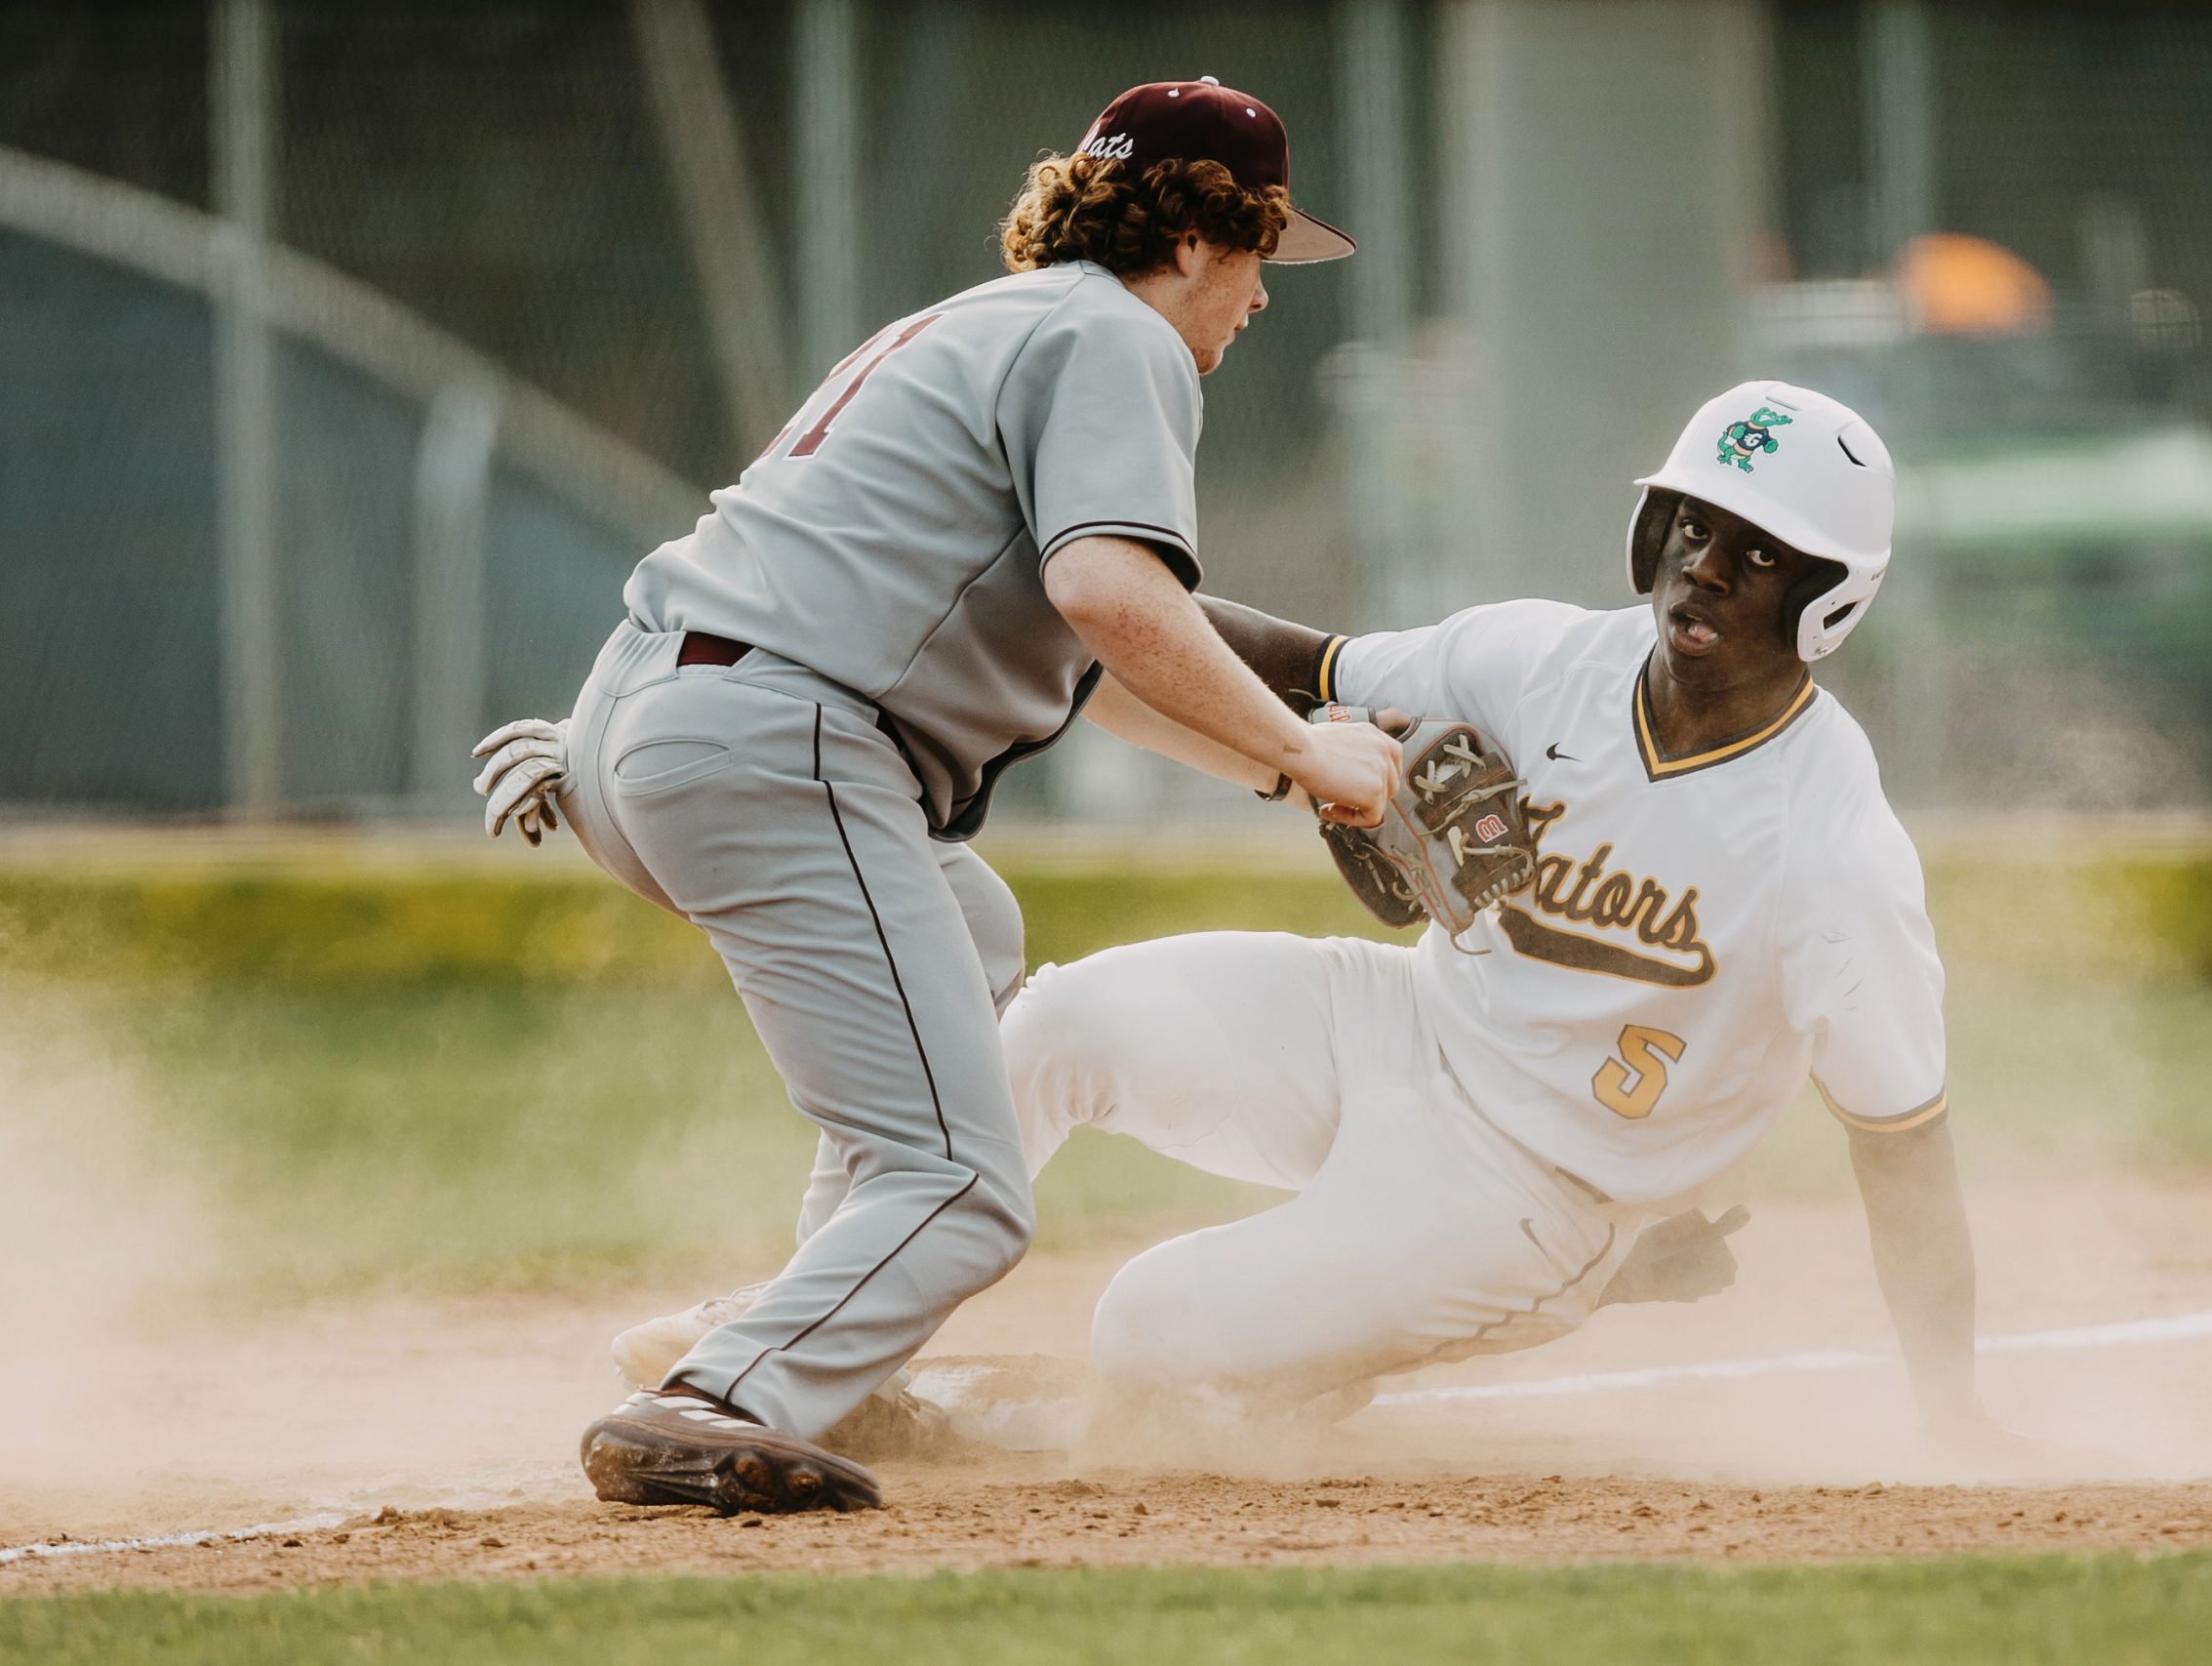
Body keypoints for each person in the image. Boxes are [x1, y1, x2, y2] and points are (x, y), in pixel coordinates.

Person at [593, 381, 2041, 1462]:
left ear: (1833, 600)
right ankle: (803, 1357)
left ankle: (998, 1444)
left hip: (1537, 1193)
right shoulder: (1544, 658)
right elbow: (1308, 661)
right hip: (1400, 1024)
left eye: (1765, 553)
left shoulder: (1831, 847)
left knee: (1150, 1339)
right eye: (1696, 526)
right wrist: (1060, 580)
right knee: (1052, 1027)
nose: (1710, 568)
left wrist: (1955, 1408)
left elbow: (1905, 1148)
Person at [475, 76, 1401, 1515]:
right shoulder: (1119, 337)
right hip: (780, 740)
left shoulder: (984, 322)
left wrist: (1290, 775)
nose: (1265, 294)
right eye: (1266, 248)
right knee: (969, 1183)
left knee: (965, 933)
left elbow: (1108, 668)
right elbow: (1113, 593)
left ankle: (831, 1363)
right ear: (1207, 232)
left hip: (647, 720)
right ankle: (726, 1390)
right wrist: (1312, 749)